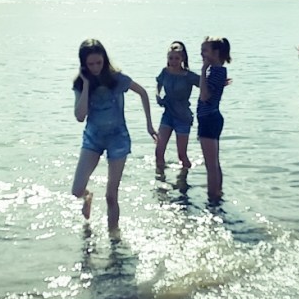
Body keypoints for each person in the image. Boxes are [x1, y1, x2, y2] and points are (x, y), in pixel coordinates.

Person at [71, 39, 158, 232]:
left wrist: (149, 125)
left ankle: (114, 239)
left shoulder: (116, 79)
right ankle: (87, 197)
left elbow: (142, 92)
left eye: (99, 62)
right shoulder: (80, 83)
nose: (95, 67)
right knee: (76, 190)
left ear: (104, 60)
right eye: (90, 64)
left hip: (117, 138)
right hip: (93, 138)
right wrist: (86, 85)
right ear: (84, 64)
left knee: (111, 195)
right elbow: (80, 116)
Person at [154, 41, 201, 171]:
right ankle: (160, 179)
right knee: (159, 152)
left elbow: (205, 84)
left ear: (182, 59)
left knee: (182, 155)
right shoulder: (165, 72)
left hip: (182, 117)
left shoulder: (188, 76)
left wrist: (218, 82)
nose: (173, 61)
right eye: (171, 58)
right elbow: (159, 83)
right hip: (168, 114)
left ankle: (185, 178)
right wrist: (157, 95)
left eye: (176, 58)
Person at [197, 36, 231, 202]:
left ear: (216, 53)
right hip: (210, 118)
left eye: (205, 50)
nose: (201, 54)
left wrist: (203, 70)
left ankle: (213, 198)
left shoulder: (216, 71)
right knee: (214, 163)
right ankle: (217, 194)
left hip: (209, 118)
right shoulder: (218, 71)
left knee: (211, 165)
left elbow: (204, 96)